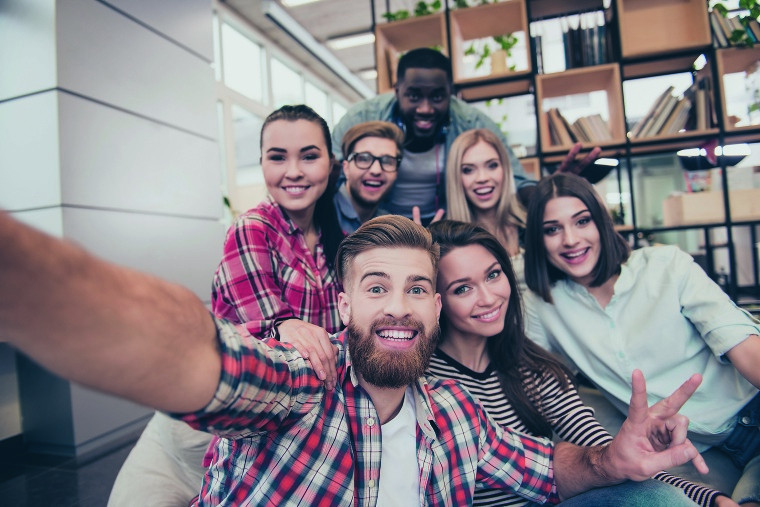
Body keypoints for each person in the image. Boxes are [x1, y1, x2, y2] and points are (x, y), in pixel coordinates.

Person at [0, 212, 709, 505]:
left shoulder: (456, 413)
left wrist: (613, 459)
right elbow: (192, 349)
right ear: (341, 306)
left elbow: (538, 464)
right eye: (377, 288)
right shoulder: (305, 381)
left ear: (436, 308)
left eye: (417, 289)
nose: (398, 306)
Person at [109, 104, 346, 505]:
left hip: (261, 426)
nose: (293, 171)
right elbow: (280, 330)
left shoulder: (328, 237)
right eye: (277, 157)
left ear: (330, 162)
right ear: (260, 164)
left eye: (309, 155)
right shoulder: (253, 228)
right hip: (199, 426)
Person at [428, 219, 732, 506]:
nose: (489, 297)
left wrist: (711, 499)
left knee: (655, 496)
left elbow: (609, 452)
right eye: (463, 288)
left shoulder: (533, 368)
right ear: (436, 300)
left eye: (493, 275)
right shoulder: (426, 383)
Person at [522, 172, 760, 505]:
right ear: (537, 240)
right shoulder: (542, 304)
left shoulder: (665, 266)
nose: (571, 240)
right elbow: (529, 382)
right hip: (696, 448)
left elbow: (742, 345)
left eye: (582, 221)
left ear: (601, 221)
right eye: (552, 229)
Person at [331, 47, 600, 223]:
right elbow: (330, 172)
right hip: (376, 226)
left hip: (448, 226)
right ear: (396, 89)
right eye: (414, 96)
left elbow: (515, 181)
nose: (425, 109)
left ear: (451, 92)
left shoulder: (472, 122)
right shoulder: (363, 117)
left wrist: (552, 190)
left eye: (437, 97)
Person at [333, 121, 403, 235]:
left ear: (396, 172)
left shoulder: (389, 227)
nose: (376, 170)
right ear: (346, 168)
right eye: (364, 159)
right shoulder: (318, 212)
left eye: (387, 161)